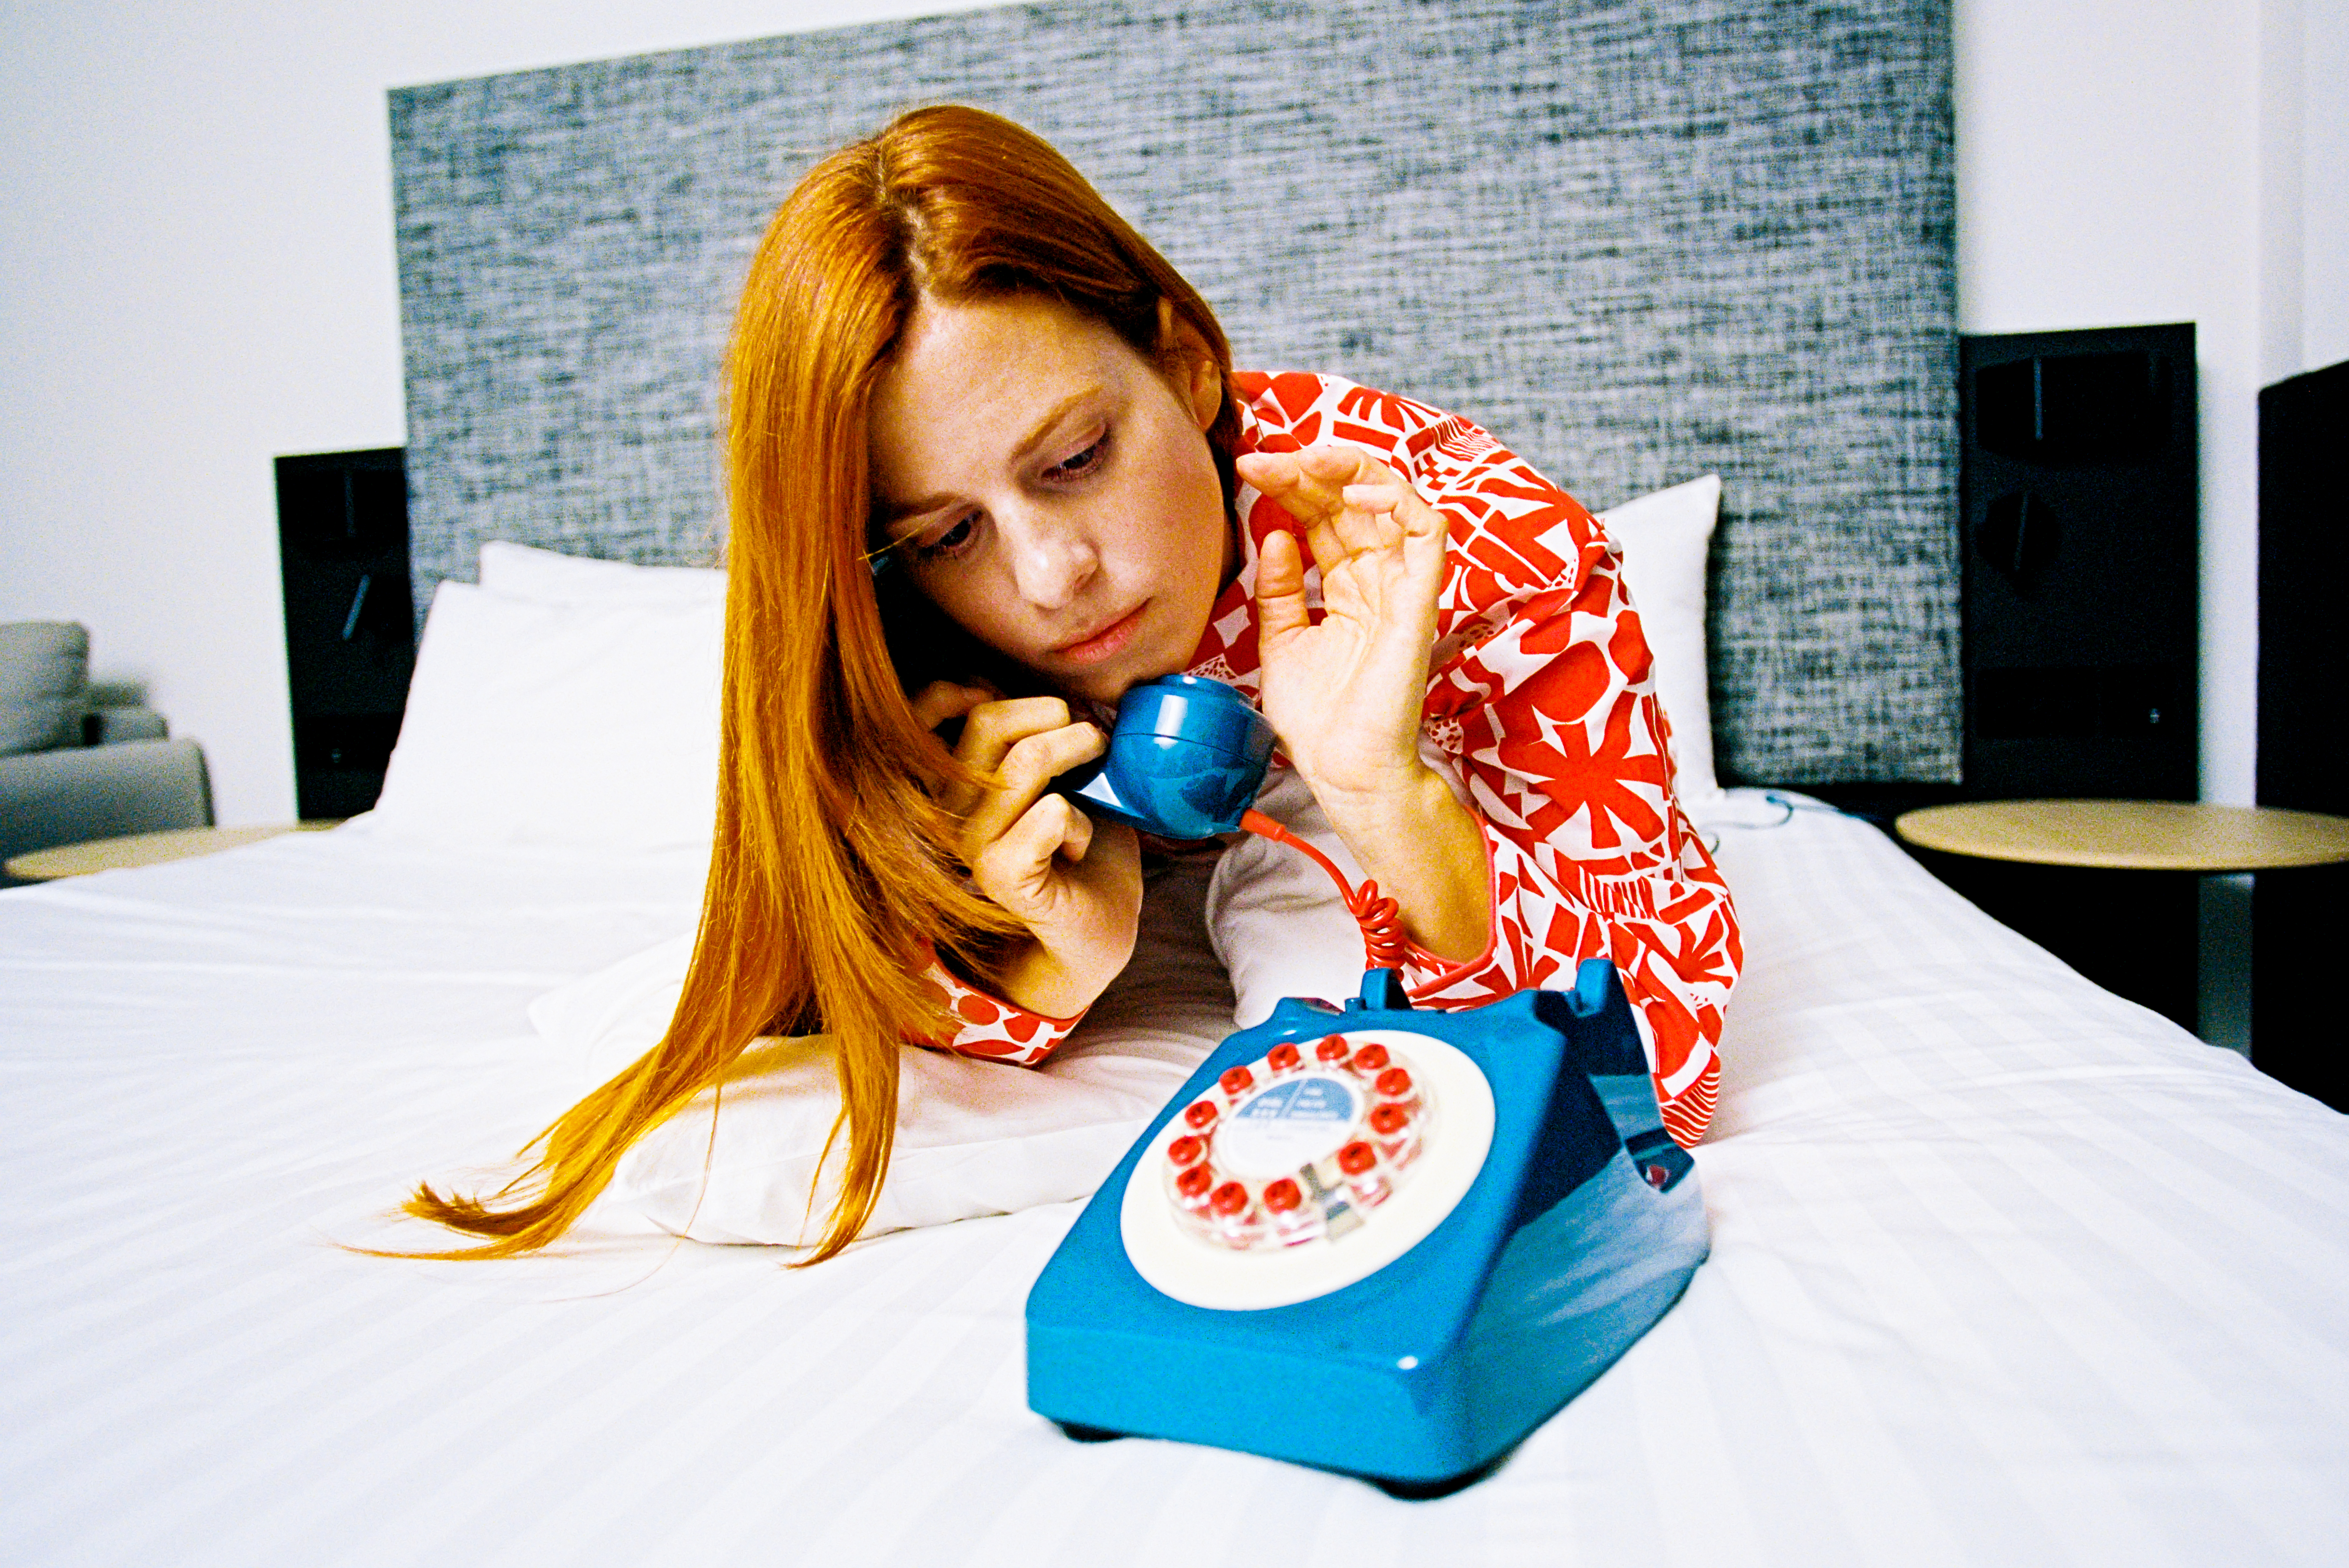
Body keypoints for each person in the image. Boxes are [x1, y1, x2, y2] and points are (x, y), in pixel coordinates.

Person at [409, 105, 1738, 1263]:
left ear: (1186, 361)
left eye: (1075, 459)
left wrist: (1385, 792)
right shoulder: (909, 633)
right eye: (950, 533)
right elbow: (825, 960)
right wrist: (1043, 964)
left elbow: (1662, 1073)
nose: (1052, 579)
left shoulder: (1484, 549)